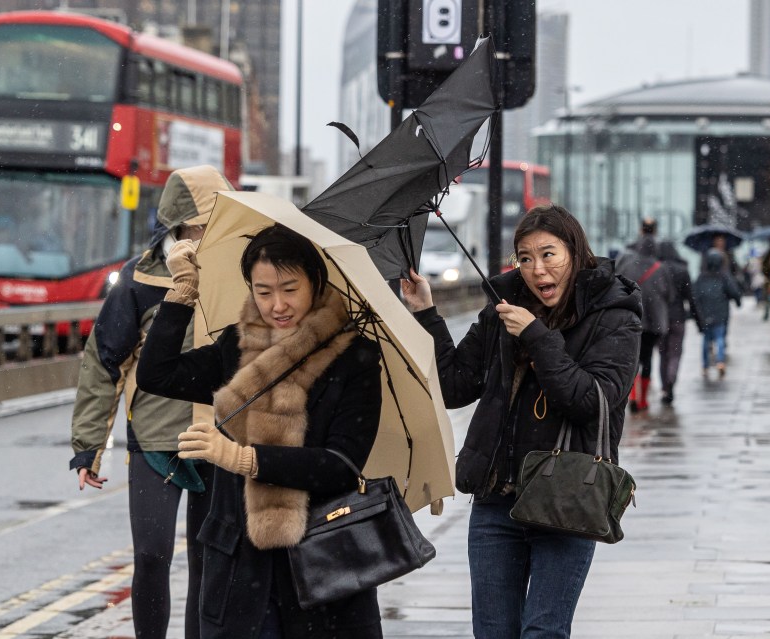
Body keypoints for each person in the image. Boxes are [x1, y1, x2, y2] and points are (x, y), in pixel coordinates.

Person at [401, 204, 642, 639]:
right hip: (497, 500)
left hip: (566, 498)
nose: (536, 269)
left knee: (542, 632)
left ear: (575, 251)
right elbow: (455, 386)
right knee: (493, 633)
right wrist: (426, 315)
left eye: (549, 254)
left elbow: (591, 400)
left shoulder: (615, 313)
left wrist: (537, 337)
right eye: (525, 257)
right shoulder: (503, 309)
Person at [137, 224, 385, 638]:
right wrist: (181, 292)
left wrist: (244, 459)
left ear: (316, 281)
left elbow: (342, 465)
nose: (278, 305)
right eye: (263, 291)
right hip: (238, 564)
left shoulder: (353, 357)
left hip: (319, 560)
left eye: (290, 288)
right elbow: (157, 375)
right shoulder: (236, 345)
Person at [70, 166, 232, 639]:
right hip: (155, 440)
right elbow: (102, 362)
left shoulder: (239, 272)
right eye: (202, 224)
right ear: (178, 226)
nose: (208, 234)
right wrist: (88, 445)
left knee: (207, 562)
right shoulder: (138, 278)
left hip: (218, 439)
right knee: (151, 554)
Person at [615, 232, 674, 412]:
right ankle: (643, 400)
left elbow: (616, 287)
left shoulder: (626, 263)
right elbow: (669, 295)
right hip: (654, 322)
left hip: (631, 318)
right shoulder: (661, 268)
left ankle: (632, 396)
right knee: (647, 358)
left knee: (632, 359)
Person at [656, 241, 699, 405]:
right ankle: (671, 380)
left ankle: (665, 386)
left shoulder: (657, 268)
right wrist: (699, 321)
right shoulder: (683, 270)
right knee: (675, 353)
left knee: (662, 354)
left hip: (661, 318)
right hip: (678, 318)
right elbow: (691, 298)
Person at [693, 248, 742, 377]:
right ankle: (720, 361)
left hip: (705, 313)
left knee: (706, 339)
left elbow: (695, 295)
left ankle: (705, 366)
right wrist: (737, 301)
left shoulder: (701, 277)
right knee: (720, 337)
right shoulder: (724, 276)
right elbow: (733, 291)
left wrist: (696, 312)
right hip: (720, 312)